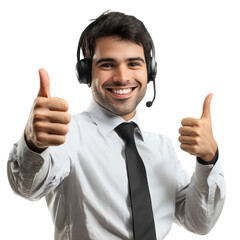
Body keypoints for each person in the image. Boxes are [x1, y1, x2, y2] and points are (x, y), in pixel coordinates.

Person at [7, 11, 225, 240]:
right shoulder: (66, 135)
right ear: (86, 73)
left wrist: (209, 159)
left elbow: (199, 222)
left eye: (133, 63)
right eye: (107, 64)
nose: (122, 77)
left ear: (149, 71)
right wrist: (33, 144)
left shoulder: (162, 147)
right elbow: (27, 188)